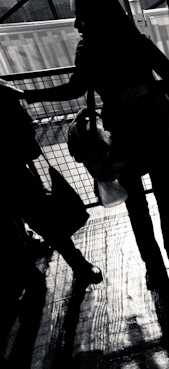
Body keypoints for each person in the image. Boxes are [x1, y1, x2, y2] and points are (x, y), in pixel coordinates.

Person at [23, 0, 169, 290]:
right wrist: (146, 88)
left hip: (118, 138)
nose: (77, 24)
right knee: (165, 196)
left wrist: (30, 96)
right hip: (151, 129)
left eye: (80, 17)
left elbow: (75, 88)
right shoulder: (136, 43)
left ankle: (153, 267)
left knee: (137, 206)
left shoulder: (88, 50)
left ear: (97, 18)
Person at [1, 79, 103, 287]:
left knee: (11, 227)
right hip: (11, 167)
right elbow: (23, 127)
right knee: (42, 219)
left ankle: (28, 275)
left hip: (9, 167)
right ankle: (78, 265)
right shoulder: (3, 90)